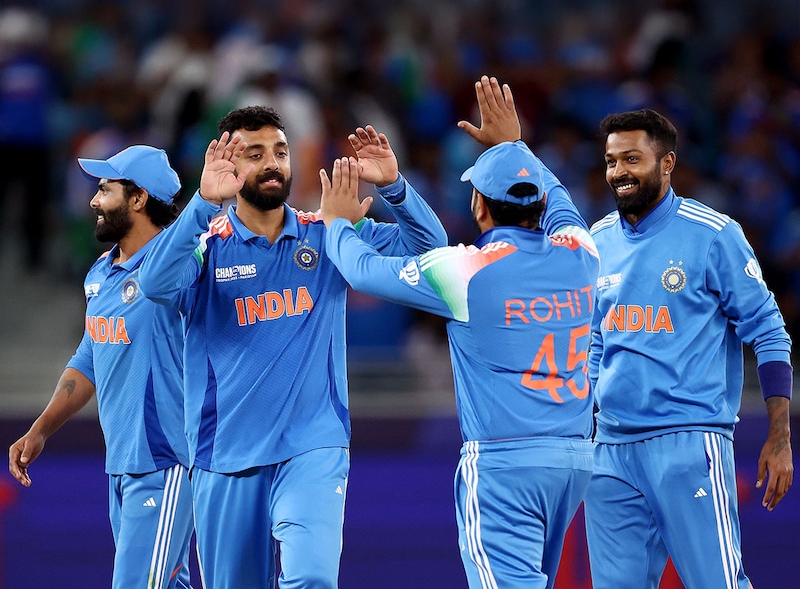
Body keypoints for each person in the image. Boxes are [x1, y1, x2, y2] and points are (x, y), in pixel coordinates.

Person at [137, 105, 448, 588]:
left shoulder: (326, 232)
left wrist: (395, 188)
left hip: (313, 447)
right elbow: (155, 285)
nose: (273, 164)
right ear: (227, 166)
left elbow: (431, 251)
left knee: (312, 580)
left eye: (280, 152)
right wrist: (201, 203)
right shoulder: (204, 244)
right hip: (225, 454)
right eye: (255, 153)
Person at [320, 76, 599, 588]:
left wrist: (337, 222)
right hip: (575, 459)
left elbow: (362, 272)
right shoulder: (581, 253)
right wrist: (515, 147)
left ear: (479, 207)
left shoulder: (466, 271)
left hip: (503, 463)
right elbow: (557, 199)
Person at [585, 108, 793, 588]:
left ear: (667, 163)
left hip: (689, 441)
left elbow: (768, 331)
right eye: (611, 161)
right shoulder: (596, 242)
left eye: (632, 159)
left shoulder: (713, 234)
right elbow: (596, 340)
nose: (619, 173)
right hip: (611, 452)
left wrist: (780, 438)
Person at [8, 145, 195, 589]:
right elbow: (89, 357)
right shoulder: (100, 273)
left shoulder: (183, 267)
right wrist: (40, 429)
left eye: (105, 190)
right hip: (123, 463)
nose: (93, 201)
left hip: (167, 460)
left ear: (138, 199)